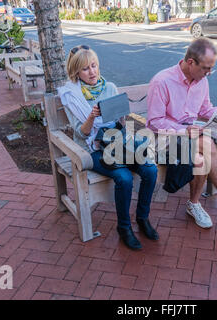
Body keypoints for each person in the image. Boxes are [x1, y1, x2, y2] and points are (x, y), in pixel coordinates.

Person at [147, 37, 217, 229]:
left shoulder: (201, 81)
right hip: (161, 139)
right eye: (206, 68)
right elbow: (154, 121)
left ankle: (194, 204)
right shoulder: (162, 81)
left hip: (190, 139)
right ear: (190, 62)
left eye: (211, 68)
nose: (209, 73)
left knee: (200, 157)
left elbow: (206, 109)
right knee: (206, 144)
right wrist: (184, 130)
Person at [58, 45, 159, 250]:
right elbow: (81, 133)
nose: (92, 72)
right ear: (76, 71)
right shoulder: (72, 95)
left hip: (116, 141)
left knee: (150, 169)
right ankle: (124, 228)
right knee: (124, 177)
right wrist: (92, 116)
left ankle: (142, 218)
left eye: (94, 66)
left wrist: (121, 113)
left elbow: (120, 122)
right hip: (92, 149)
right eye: (85, 69)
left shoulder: (109, 87)